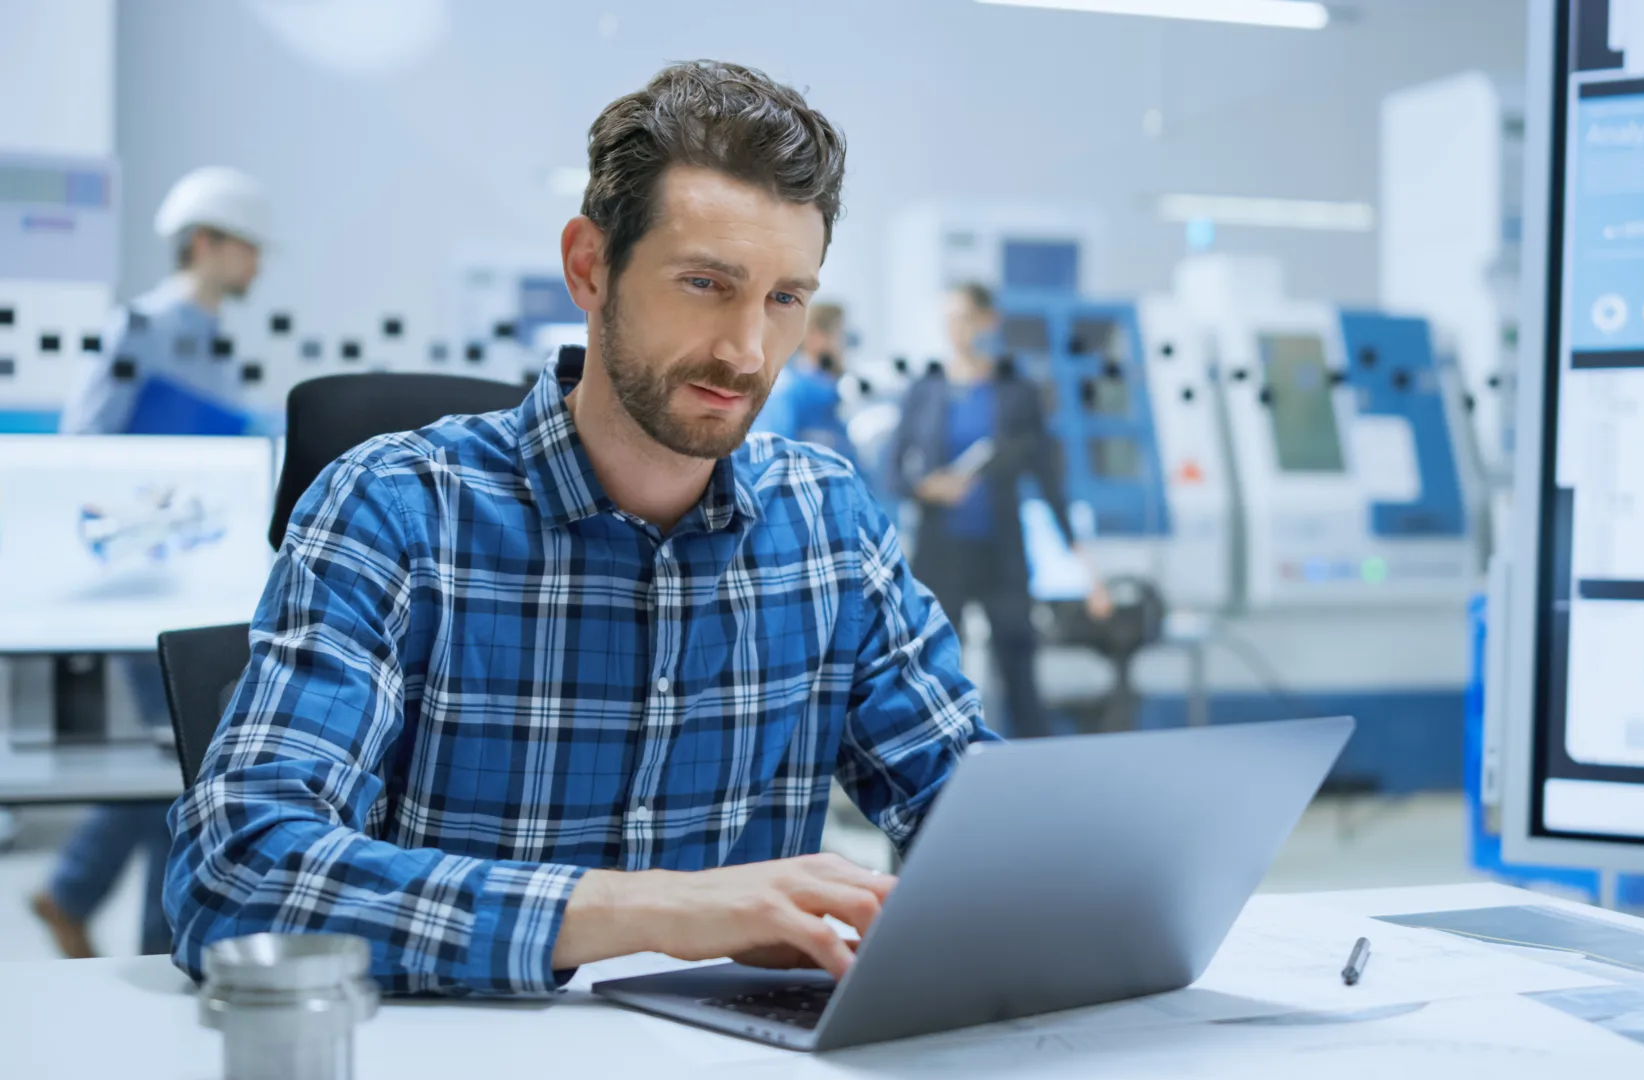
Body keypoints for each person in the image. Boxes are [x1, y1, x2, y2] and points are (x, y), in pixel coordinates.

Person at [166, 61, 990, 995]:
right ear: (589, 267)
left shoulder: (829, 524)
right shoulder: (395, 511)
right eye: (707, 284)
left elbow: (971, 818)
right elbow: (235, 870)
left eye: (783, 298)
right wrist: (656, 911)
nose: (747, 351)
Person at [31, 166, 270, 960]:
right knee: (176, 759)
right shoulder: (140, 328)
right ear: (206, 242)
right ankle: (98, 907)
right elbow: (84, 446)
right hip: (140, 584)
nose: (258, 263)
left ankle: (96, 905)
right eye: (246, 245)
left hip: (196, 576)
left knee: (179, 759)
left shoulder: (214, 345)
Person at [888, 284, 1110, 740]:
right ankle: (938, 778)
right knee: (938, 668)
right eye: (949, 319)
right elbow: (890, 471)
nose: (957, 330)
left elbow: (1048, 479)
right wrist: (926, 487)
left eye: (966, 318)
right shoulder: (925, 391)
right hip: (941, 554)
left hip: (1002, 554)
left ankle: (1036, 781)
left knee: (1019, 664)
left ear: (989, 321)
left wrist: (1083, 562)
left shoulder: (1016, 392)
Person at [751, 301, 854, 458]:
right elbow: (772, 458)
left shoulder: (832, 396)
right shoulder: (788, 393)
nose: (844, 348)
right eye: (841, 335)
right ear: (817, 337)